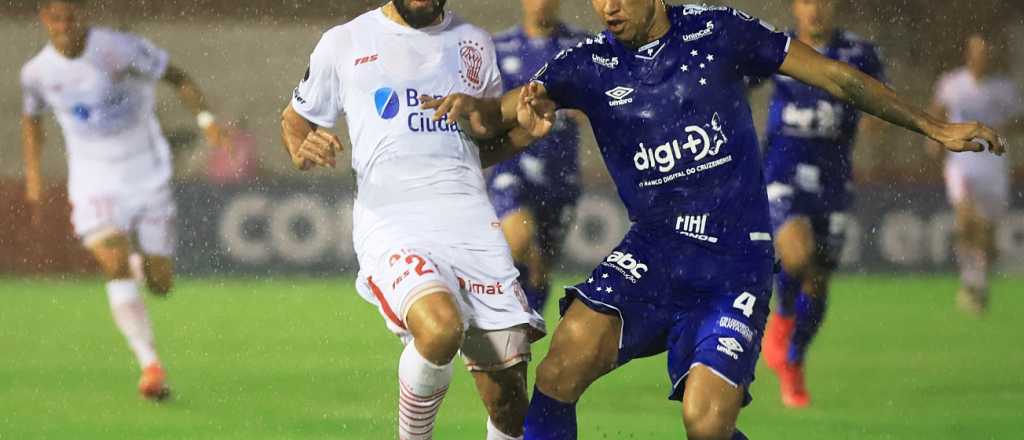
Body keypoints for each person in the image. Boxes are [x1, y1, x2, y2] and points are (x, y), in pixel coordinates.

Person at [423, 1, 1005, 438]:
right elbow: (498, 115)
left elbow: (835, 77)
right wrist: (479, 111)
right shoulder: (587, 63)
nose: (608, 8)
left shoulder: (718, 31)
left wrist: (934, 126)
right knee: (558, 372)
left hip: (734, 263)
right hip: (653, 253)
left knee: (706, 424)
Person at [279, 1, 545, 439]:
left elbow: (478, 148)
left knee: (509, 405)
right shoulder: (344, 43)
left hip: (472, 226)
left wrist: (523, 134)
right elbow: (295, 120)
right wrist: (300, 147)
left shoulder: (475, 43)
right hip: (393, 223)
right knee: (440, 330)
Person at [20, 0, 227, 401]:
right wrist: (33, 177)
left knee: (160, 283)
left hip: (146, 172)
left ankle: (140, 265)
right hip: (93, 179)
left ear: (83, 15)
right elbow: (31, 121)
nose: (65, 25)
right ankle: (150, 365)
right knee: (112, 262)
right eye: (56, 18)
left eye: (71, 16)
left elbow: (177, 77)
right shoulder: (36, 73)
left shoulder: (120, 48)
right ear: (45, 20)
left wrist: (207, 121)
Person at [757, 0, 887, 408]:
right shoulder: (777, 46)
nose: (815, 10)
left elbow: (878, 102)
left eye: (823, 2)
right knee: (797, 255)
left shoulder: (860, 53)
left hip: (833, 178)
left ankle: (794, 358)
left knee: (818, 279)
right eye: (807, 1)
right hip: (783, 171)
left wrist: (873, 118)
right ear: (795, 7)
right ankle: (781, 318)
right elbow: (737, 81)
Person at [488, 0, 589, 313]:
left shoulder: (581, 46)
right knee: (519, 240)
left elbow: (605, 97)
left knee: (540, 268)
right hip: (512, 166)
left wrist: (587, 105)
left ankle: (527, 324)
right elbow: (487, 110)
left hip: (561, 174)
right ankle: (497, 311)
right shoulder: (498, 47)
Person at [931, 34, 1023, 316]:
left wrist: (1004, 126)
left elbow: (1019, 120)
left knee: (986, 231)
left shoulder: (1004, 89)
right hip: (962, 161)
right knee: (965, 218)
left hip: (993, 164)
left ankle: (978, 281)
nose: (981, 57)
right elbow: (937, 112)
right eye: (976, 51)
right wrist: (935, 140)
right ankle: (969, 279)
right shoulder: (952, 83)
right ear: (968, 54)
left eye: (985, 52)